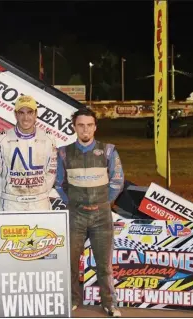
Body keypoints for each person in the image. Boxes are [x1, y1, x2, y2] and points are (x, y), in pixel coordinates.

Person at [55, 107, 124, 317]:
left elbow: (118, 181)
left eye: (89, 125)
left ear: (95, 127)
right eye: (81, 125)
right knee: (71, 263)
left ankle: (109, 303)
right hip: (75, 217)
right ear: (74, 127)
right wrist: (73, 203)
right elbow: (59, 184)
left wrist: (104, 203)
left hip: (102, 217)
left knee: (105, 266)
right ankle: (73, 299)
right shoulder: (63, 152)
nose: (85, 129)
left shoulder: (109, 150)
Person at [0, 95, 57, 211]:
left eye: (30, 112)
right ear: (15, 114)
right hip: (11, 204)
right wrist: (6, 197)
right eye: (21, 113)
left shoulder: (48, 138)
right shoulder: (1, 139)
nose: (26, 117)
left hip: (40, 203)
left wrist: (40, 194)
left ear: (36, 114)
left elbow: (51, 172)